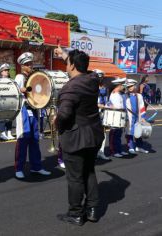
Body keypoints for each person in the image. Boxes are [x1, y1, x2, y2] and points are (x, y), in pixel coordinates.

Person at [54, 46, 104, 226]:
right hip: (94, 135)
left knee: (75, 177)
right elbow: (78, 62)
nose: (65, 67)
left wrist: (56, 120)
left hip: (76, 139)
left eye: (67, 64)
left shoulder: (70, 87)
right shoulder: (92, 79)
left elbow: (65, 114)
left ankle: (75, 213)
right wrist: (64, 54)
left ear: (73, 66)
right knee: (89, 172)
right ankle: (92, 210)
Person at [14, 52, 51, 179]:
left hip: (34, 109)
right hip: (24, 109)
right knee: (23, 138)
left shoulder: (34, 77)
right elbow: (14, 91)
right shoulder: (20, 77)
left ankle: (36, 166)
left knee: (35, 139)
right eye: (27, 64)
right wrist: (21, 90)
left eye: (31, 63)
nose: (30, 66)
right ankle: (19, 168)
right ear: (22, 66)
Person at [124, 79, 149, 154]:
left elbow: (142, 107)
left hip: (138, 117)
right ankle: (131, 147)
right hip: (129, 117)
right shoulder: (125, 96)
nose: (130, 88)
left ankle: (139, 147)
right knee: (130, 132)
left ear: (135, 86)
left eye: (131, 86)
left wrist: (143, 117)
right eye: (128, 86)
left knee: (139, 132)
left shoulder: (139, 96)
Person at [108, 78, 129, 158]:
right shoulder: (113, 94)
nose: (123, 86)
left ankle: (119, 150)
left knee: (118, 135)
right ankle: (113, 151)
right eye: (122, 85)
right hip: (115, 118)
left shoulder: (119, 94)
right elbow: (115, 107)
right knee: (114, 135)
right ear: (118, 85)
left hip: (120, 117)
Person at [95, 69, 110, 160]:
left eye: (101, 77)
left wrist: (107, 105)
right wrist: (97, 105)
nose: (100, 79)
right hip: (92, 114)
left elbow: (106, 101)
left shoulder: (104, 89)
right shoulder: (89, 88)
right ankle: (93, 153)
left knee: (103, 133)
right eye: (98, 77)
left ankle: (101, 151)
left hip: (102, 113)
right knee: (93, 135)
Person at [0, 63, 15, 140]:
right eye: (5, 70)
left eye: (7, 70)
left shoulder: (11, 80)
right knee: (2, 117)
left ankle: (9, 132)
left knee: (10, 117)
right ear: (1, 72)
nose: (7, 72)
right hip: (2, 101)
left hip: (10, 100)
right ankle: (2, 133)